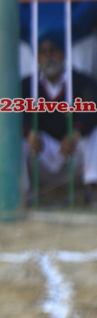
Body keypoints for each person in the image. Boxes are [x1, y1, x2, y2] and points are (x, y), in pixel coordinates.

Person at [22, 30, 97, 206]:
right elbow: (15, 114)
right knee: (13, 139)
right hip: (40, 151)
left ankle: (93, 189)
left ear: (63, 53)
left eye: (53, 50)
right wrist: (30, 133)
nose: (48, 56)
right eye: (43, 52)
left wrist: (75, 133)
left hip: (73, 151)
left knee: (95, 134)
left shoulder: (81, 81)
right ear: (36, 57)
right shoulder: (26, 85)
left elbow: (91, 110)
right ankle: (20, 194)